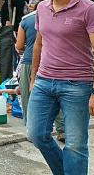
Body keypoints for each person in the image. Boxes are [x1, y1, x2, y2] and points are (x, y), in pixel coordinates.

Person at [27, 0, 94, 175]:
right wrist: (33, 77)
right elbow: (39, 43)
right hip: (44, 82)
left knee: (75, 145)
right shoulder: (42, 8)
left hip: (77, 85)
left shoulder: (89, 9)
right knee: (36, 134)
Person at [16, 10, 65, 141]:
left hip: (29, 62)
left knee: (28, 97)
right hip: (51, 62)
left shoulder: (25, 20)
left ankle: (32, 131)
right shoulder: (57, 17)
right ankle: (62, 130)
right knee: (56, 95)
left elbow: (19, 45)